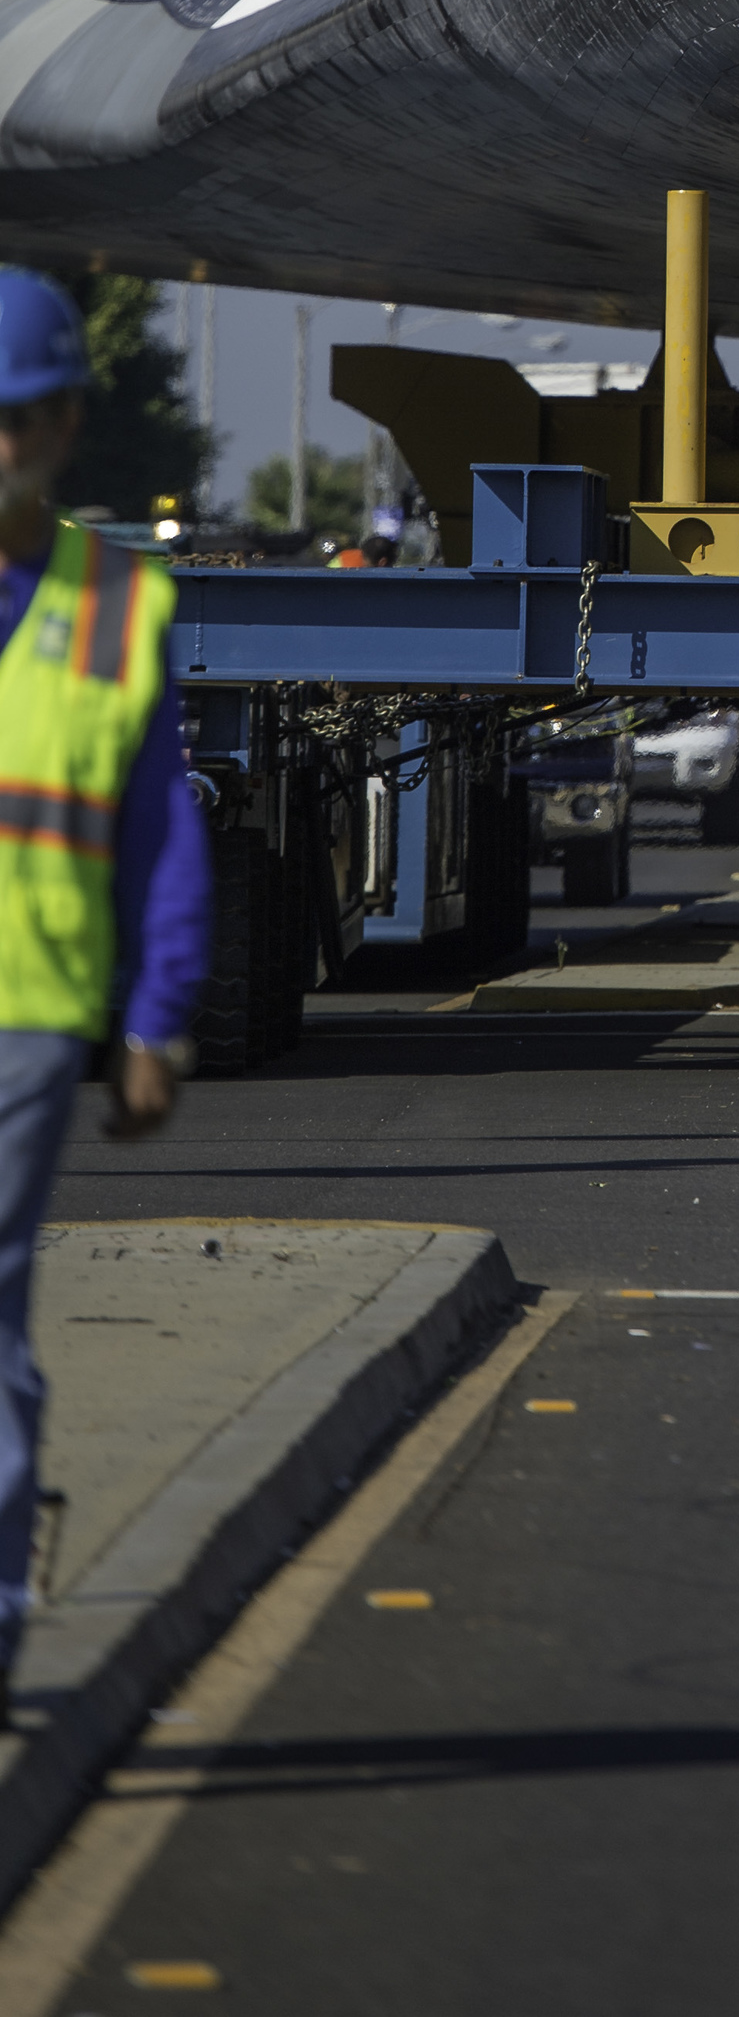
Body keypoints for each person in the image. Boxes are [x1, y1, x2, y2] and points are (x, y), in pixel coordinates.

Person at [0, 270, 210, 1710]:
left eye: (15, 418)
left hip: (26, 1012)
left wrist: (157, 1014)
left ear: (65, 422)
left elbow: (161, 832)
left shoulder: (119, 606)